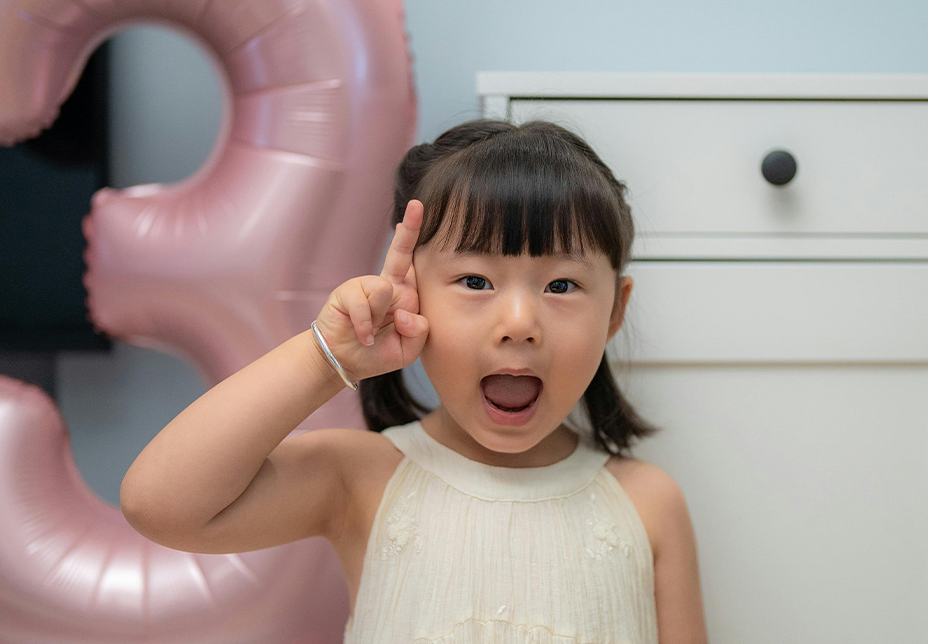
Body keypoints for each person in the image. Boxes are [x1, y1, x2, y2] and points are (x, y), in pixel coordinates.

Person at [120, 118, 708, 642]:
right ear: (414, 294)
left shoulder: (648, 502)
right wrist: (330, 358)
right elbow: (160, 505)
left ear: (614, 310)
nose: (520, 324)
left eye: (560, 286)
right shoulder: (362, 477)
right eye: (476, 281)